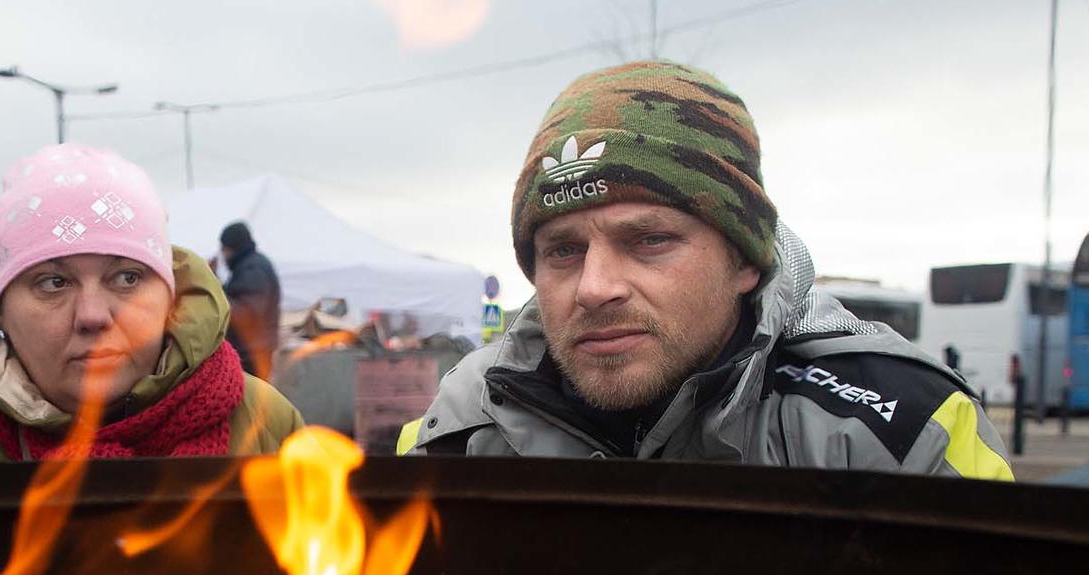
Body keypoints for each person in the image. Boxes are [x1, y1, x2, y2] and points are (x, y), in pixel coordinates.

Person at [401, 61, 1012, 479]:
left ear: (745, 258)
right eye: (563, 250)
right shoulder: (458, 427)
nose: (594, 287)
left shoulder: (897, 429)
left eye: (650, 240)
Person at [0, 144, 303, 465]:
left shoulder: (265, 423)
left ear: (169, 297)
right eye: (53, 282)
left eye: (127, 278)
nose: (93, 316)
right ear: (0, 308)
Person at [218, 221, 282, 382]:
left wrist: (214, 293)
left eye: (224, 249)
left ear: (233, 247)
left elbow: (247, 313)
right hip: (251, 351)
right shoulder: (249, 266)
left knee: (249, 404)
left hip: (252, 354)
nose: (222, 255)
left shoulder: (253, 269)